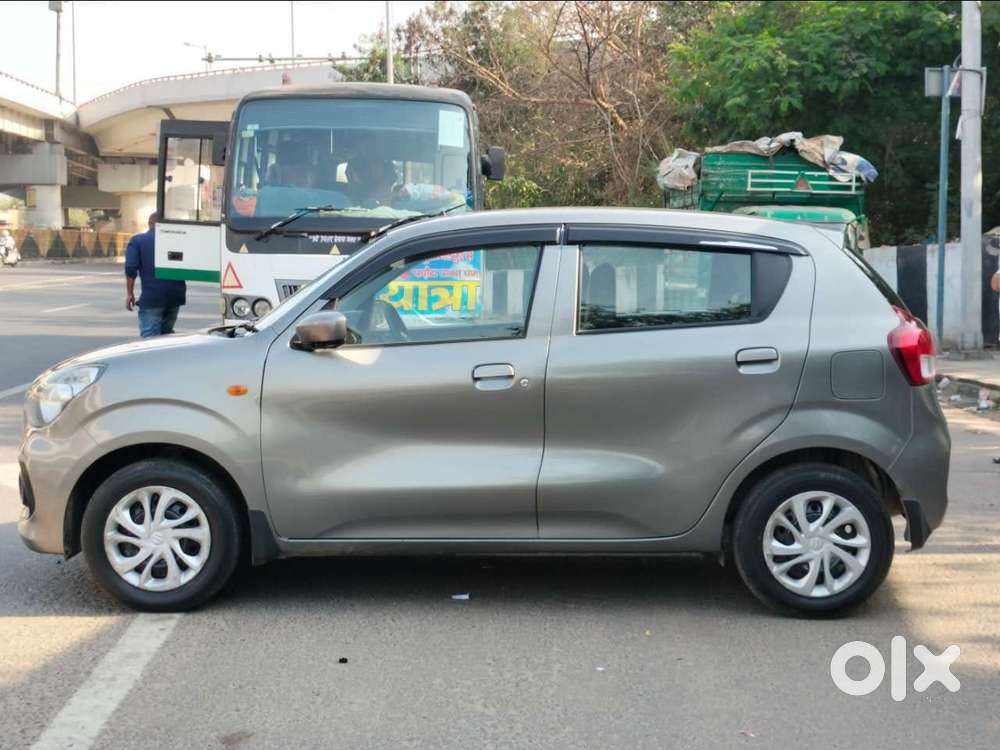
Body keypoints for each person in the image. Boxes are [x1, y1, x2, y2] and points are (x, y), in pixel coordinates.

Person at [125, 212, 186, 337]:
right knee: (166, 338)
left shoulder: (138, 241)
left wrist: (130, 294)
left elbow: (131, 268)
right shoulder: (179, 240)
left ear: (149, 224)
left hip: (151, 298)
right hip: (175, 297)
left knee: (150, 341)